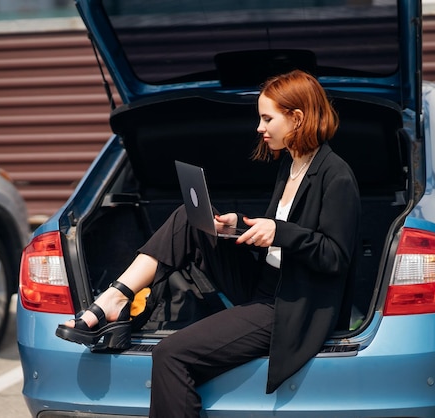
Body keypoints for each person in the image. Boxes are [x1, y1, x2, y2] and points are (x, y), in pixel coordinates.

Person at [56, 69, 361, 417]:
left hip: (290, 304)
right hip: (265, 282)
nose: (259, 128)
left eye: (267, 118)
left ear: (297, 118)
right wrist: (239, 225)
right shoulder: (291, 167)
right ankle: (115, 297)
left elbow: (335, 256)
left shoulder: (336, 175)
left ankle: (112, 303)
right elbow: (285, 233)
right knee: (190, 217)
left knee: (171, 354)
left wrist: (279, 231)